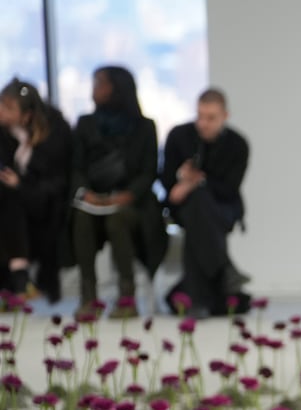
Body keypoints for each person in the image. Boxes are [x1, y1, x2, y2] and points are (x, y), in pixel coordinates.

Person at [69, 65, 161, 316]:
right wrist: (85, 193)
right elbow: (76, 167)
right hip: (93, 199)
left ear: (118, 88)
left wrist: (126, 195)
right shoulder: (86, 124)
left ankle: (126, 297)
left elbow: (148, 172)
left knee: (116, 218)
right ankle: (88, 297)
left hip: (133, 203)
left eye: (100, 83)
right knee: (82, 218)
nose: (94, 90)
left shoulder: (144, 127)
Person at [160, 87, 251, 316]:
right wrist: (182, 180)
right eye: (200, 116)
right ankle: (224, 268)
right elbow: (167, 180)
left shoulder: (237, 144)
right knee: (197, 207)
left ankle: (195, 298)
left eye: (211, 118)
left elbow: (229, 189)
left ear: (225, 116)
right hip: (184, 209)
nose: (203, 124)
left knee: (199, 210)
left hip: (223, 207)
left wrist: (194, 183)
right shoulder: (180, 136)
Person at [0, 78, 71, 300]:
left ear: (27, 115)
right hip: (10, 204)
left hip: (46, 204)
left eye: (8, 108)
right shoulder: (3, 133)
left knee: (12, 199)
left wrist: (21, 184)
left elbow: (58, 181)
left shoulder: (55, 131)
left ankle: (20, 279)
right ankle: (18, 277)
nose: (1, 111)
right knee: (9, 200)